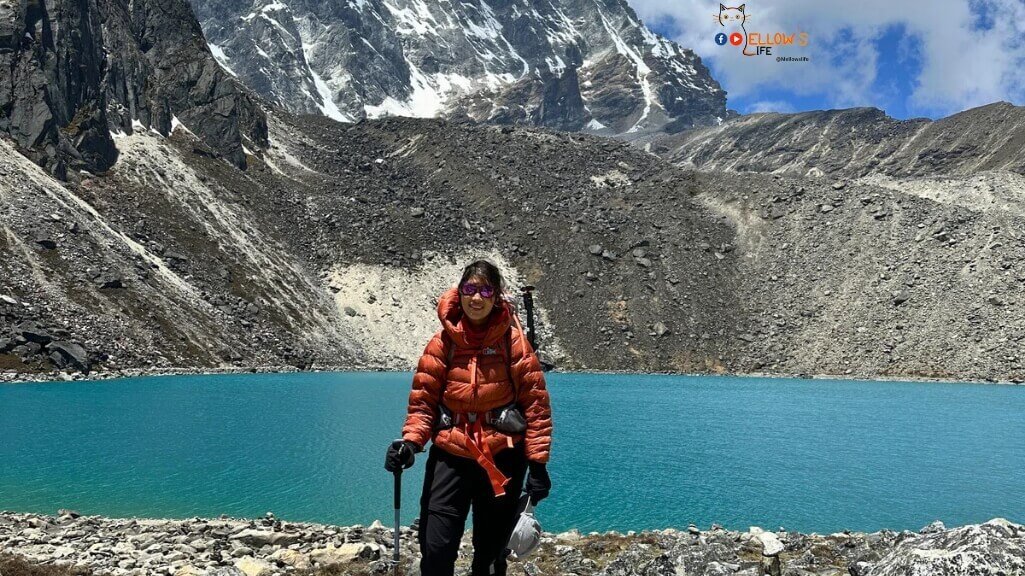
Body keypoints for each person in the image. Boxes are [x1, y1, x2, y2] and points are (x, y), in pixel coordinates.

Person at [384, 259, 553, 576]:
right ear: (459, 293)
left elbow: (536, 405)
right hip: (451, 455)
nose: (477, 298)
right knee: (435, 551)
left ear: (497, 296)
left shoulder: (514, 343)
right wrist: (409, 444)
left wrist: (538, 465)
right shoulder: (442, 343)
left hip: (502, 457)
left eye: (485, 290)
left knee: (489, 558)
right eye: (470, 289)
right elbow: (423, 403)